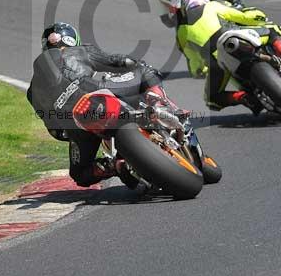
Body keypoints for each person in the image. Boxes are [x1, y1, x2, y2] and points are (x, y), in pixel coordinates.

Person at [26, 22, 181, 188]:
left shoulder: (32, 91)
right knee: (144, 70)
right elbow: (117, 61)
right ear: (73, 39)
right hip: (96, 91)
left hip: (76, 123)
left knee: (80, 174)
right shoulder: (80, 50)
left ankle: (112, 166)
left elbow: (54, 129)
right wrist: (135, 64)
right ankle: (159, 105)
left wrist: (72, 132)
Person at [176, 0, 281, 113]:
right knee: (271, 28)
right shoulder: (212, 6)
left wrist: (200, 70)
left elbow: (193, 61)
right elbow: (243, 17)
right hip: (235, 39)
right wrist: (259, 17)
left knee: (212, 99)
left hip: (218, 63)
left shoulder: (181, 31)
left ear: (184, 9)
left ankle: (242, 97)